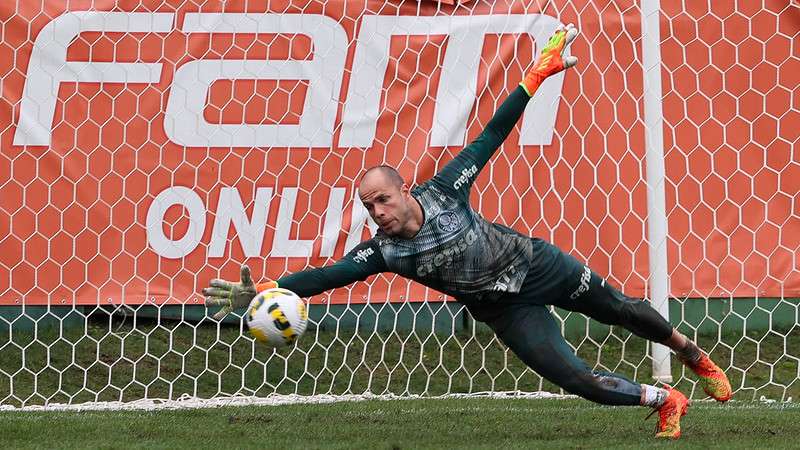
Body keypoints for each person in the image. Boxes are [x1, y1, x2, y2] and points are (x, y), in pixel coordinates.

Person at [203, 24, 731, 439]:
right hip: (505, 309)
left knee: (622, 310)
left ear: (403, 190)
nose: (378, 212)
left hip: (536, 266)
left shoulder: (446, 188)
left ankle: (690, 352)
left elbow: (493, 132)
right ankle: (667, 401)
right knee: (577, 381)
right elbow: (326, 276)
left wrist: (536, 76)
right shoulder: (385, 253)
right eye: (368, 207)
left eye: (382, 199)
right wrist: (271, 291)